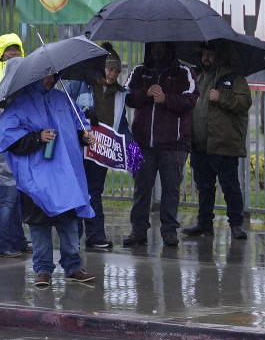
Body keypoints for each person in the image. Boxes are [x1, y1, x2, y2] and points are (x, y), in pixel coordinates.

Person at [0, 72, 95, 287]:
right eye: (46, 76)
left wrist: (85, 136)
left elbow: (78, 125)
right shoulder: (20, 104)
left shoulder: (63, 100)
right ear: (33, 76)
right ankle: (43, 270)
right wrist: (37, 137)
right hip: (36, 179)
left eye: (54, 75)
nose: (51, 79)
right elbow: (7, 138)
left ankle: (73, 266)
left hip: (65, 176)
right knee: (39, 226)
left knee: (69, 222)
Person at [123, 42, 198, 248]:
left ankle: (169, 231)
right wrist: (146, 93)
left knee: (171, 189)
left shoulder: (185, 72)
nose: (157, 50)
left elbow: (191, 99)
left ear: (170, 48)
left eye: (161, 47)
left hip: (173, 144)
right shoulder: (139, 70)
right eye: (153, 47)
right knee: (141, 188)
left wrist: (166, 99)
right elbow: (126, 97)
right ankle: (138, 231)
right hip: (141, 142)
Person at [182, 42, 252, 240]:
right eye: (204, 54)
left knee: (229, 186)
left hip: (223, 143)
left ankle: (236, 224)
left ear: (219, 56)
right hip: (200, 143)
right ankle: (204, 224)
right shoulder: (198, 76)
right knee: (203, 186)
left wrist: (222, 96)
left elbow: (244, 102)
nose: (206, 58)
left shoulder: (234, 78)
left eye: (210, 55)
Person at [65, 43, 129, 250]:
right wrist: (83, 114)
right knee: (77, 191)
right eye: (110, 69)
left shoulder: (119, 94)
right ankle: (74, 236)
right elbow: (65, 109)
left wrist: (133, 153)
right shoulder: (80, 84)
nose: (113, 75)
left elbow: (122, 126)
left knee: (94, 192)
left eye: (117, 71)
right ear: (101, 67)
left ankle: (95, 236)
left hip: (100, 152)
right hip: (79, 148)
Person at [0, 33, 29, 258]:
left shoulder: (24, 76)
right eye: (9, 49)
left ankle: (18, 241)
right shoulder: (5, 79)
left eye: (16, 49)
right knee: (8, 198)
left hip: (19, 144)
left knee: (17, 196)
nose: (13, 53)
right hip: (5, 145)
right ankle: (4, 245)